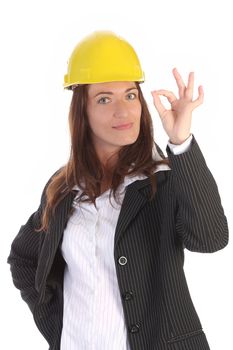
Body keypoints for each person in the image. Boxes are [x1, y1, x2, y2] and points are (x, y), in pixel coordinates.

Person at [7, 30, 229, 350]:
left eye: (130, 95)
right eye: (104, 99)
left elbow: (211, 239)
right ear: (81, 111)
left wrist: (180, 143)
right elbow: (24, 258)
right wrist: (58, 325)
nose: (123, 111)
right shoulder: (64, 188)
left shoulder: (164, 179)